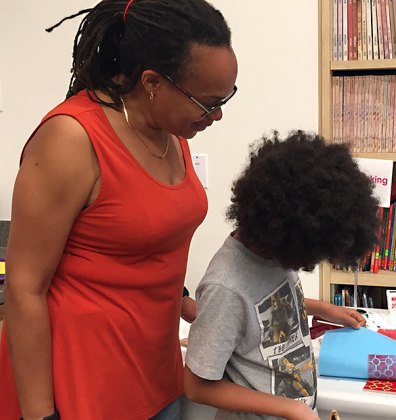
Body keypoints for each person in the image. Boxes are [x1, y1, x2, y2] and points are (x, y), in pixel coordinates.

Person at [0, 1, 237, 419]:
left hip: (158, 373)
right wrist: (40, 415)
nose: (216, 116)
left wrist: (192, 304)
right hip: (81, 388)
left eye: (225, 99)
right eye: (206, 103)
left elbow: (145, 235)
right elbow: (24, 289)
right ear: (152, 82)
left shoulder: (169, 128)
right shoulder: (70, 140)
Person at [184, 131, 379, 419]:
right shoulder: (225, 286)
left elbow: (268, 305)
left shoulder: (273, 250)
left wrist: (323, 309)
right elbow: (197, 386)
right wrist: (290, 408)